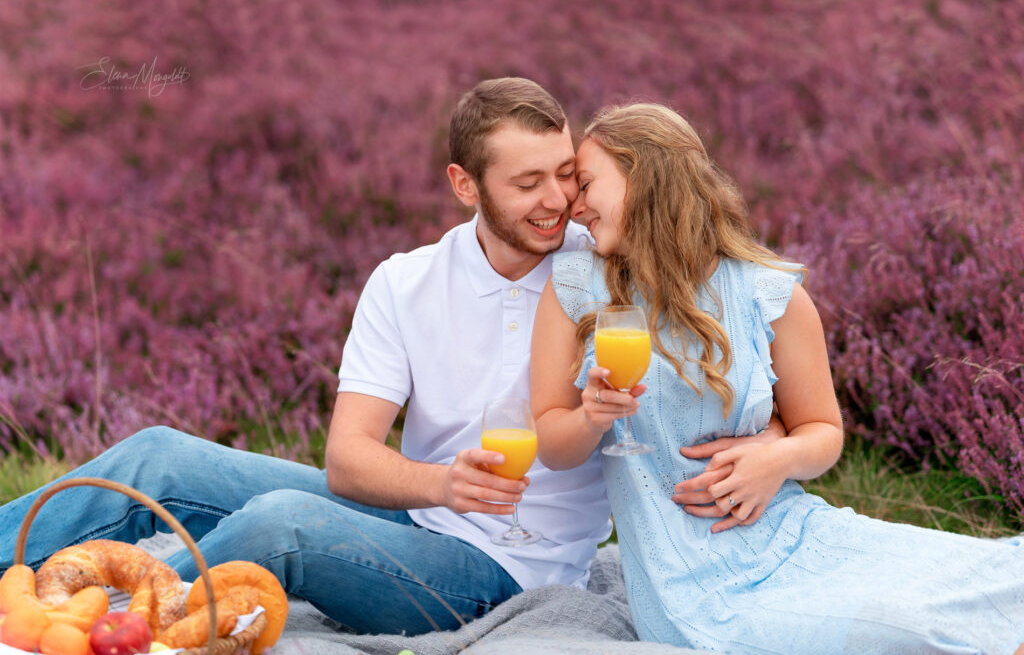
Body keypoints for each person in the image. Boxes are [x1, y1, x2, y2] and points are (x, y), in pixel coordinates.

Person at [1, 79, 785, 636]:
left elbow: (736, 330)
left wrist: (777, 448)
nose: (559, 202)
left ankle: (119, 630)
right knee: (158, 455)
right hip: (412, 513)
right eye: (528, 183)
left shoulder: (604, 263)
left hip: (511, 571)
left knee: (284, 525)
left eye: (567, 176)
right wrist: (445, 482)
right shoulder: (406, 281)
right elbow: (347, 458)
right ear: (463, 184)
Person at [530, 101, 1024, 655]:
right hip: (692, 590)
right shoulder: (576, 287)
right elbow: (552, 443)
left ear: (644, 178)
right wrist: (592, 417)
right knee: (904, 628)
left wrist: (776, 459)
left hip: (796, 535)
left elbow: (822, 431)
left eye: (587, 183)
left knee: (1003, 578)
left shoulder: (768, 293)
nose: (574, 208)